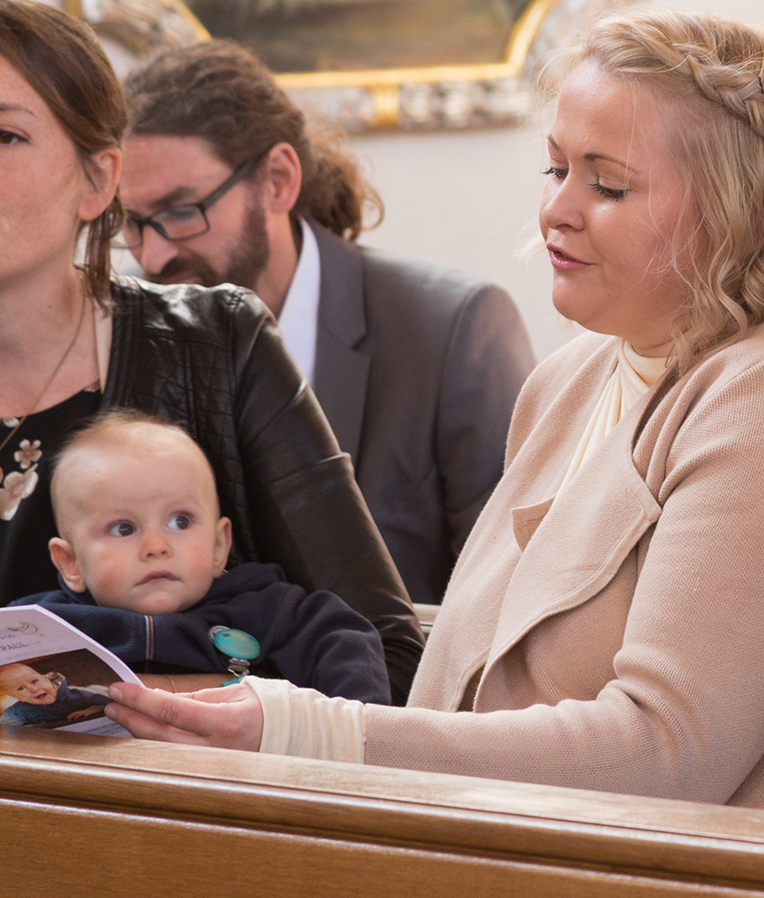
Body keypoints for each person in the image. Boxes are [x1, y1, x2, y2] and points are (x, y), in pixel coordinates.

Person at [103, 10, 764, 832]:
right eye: (556, 168)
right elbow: (480, 663)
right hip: (570, 851)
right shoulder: (572, 379)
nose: (555, 211)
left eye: (607, 186)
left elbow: (664, 751)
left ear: (735, 210)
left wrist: (314, 732)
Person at [0, 0, 422, 700]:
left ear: (98, 181)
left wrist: (161, 713)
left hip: (201, 775)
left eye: (3, 136)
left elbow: (390, 657)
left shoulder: (222, 347)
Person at [120, 40, 534, 605]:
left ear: (277, 180)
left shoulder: (456, 331)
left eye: (180, 212)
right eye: (132, 222)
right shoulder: (125, 332)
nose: (152, 256)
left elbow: (514, 599)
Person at [19, 410, 389, 703]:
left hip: (237, 774)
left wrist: (351, 734)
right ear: (70, 563)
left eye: (180, 521)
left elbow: (346, 644)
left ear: (218, 545)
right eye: (123, 528)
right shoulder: (40, 626)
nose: (156, 546)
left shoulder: (269, 611)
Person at [0, 663, 109, 728]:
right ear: (14, 696)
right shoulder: (21, 710)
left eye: (34, 681)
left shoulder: (73, 694)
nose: (33, 689)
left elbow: (105, 701)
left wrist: (94, 708)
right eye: (21, 688)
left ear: (46, 679)